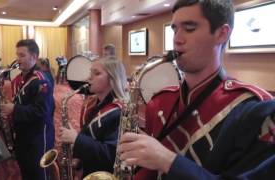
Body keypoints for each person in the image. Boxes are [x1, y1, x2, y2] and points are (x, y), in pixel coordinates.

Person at [118, 0, 275, 179]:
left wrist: (168, 161)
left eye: (190, 28)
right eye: (175, 29)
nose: (177, 39)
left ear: (222, 34)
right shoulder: (161, 101)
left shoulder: (255, 109)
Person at [60, 56, 129, 178]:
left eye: (96, 73)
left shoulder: (119, 112)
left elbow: (111, 155)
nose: (89, 78)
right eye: (90, 72)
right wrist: (79, 159)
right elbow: (91, 138)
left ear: (112, 78)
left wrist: (77, 140)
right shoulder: (92, 104)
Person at [0, 39, 55, 180]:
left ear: (34, 57)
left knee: (38, 174)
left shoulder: (41, 80)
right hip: (23, 133)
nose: (18, 60)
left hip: (38, 137)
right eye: (17, 55)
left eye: (22, 55)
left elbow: (41, 112)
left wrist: (14, 109)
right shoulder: (20, 78)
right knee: (25, 170)